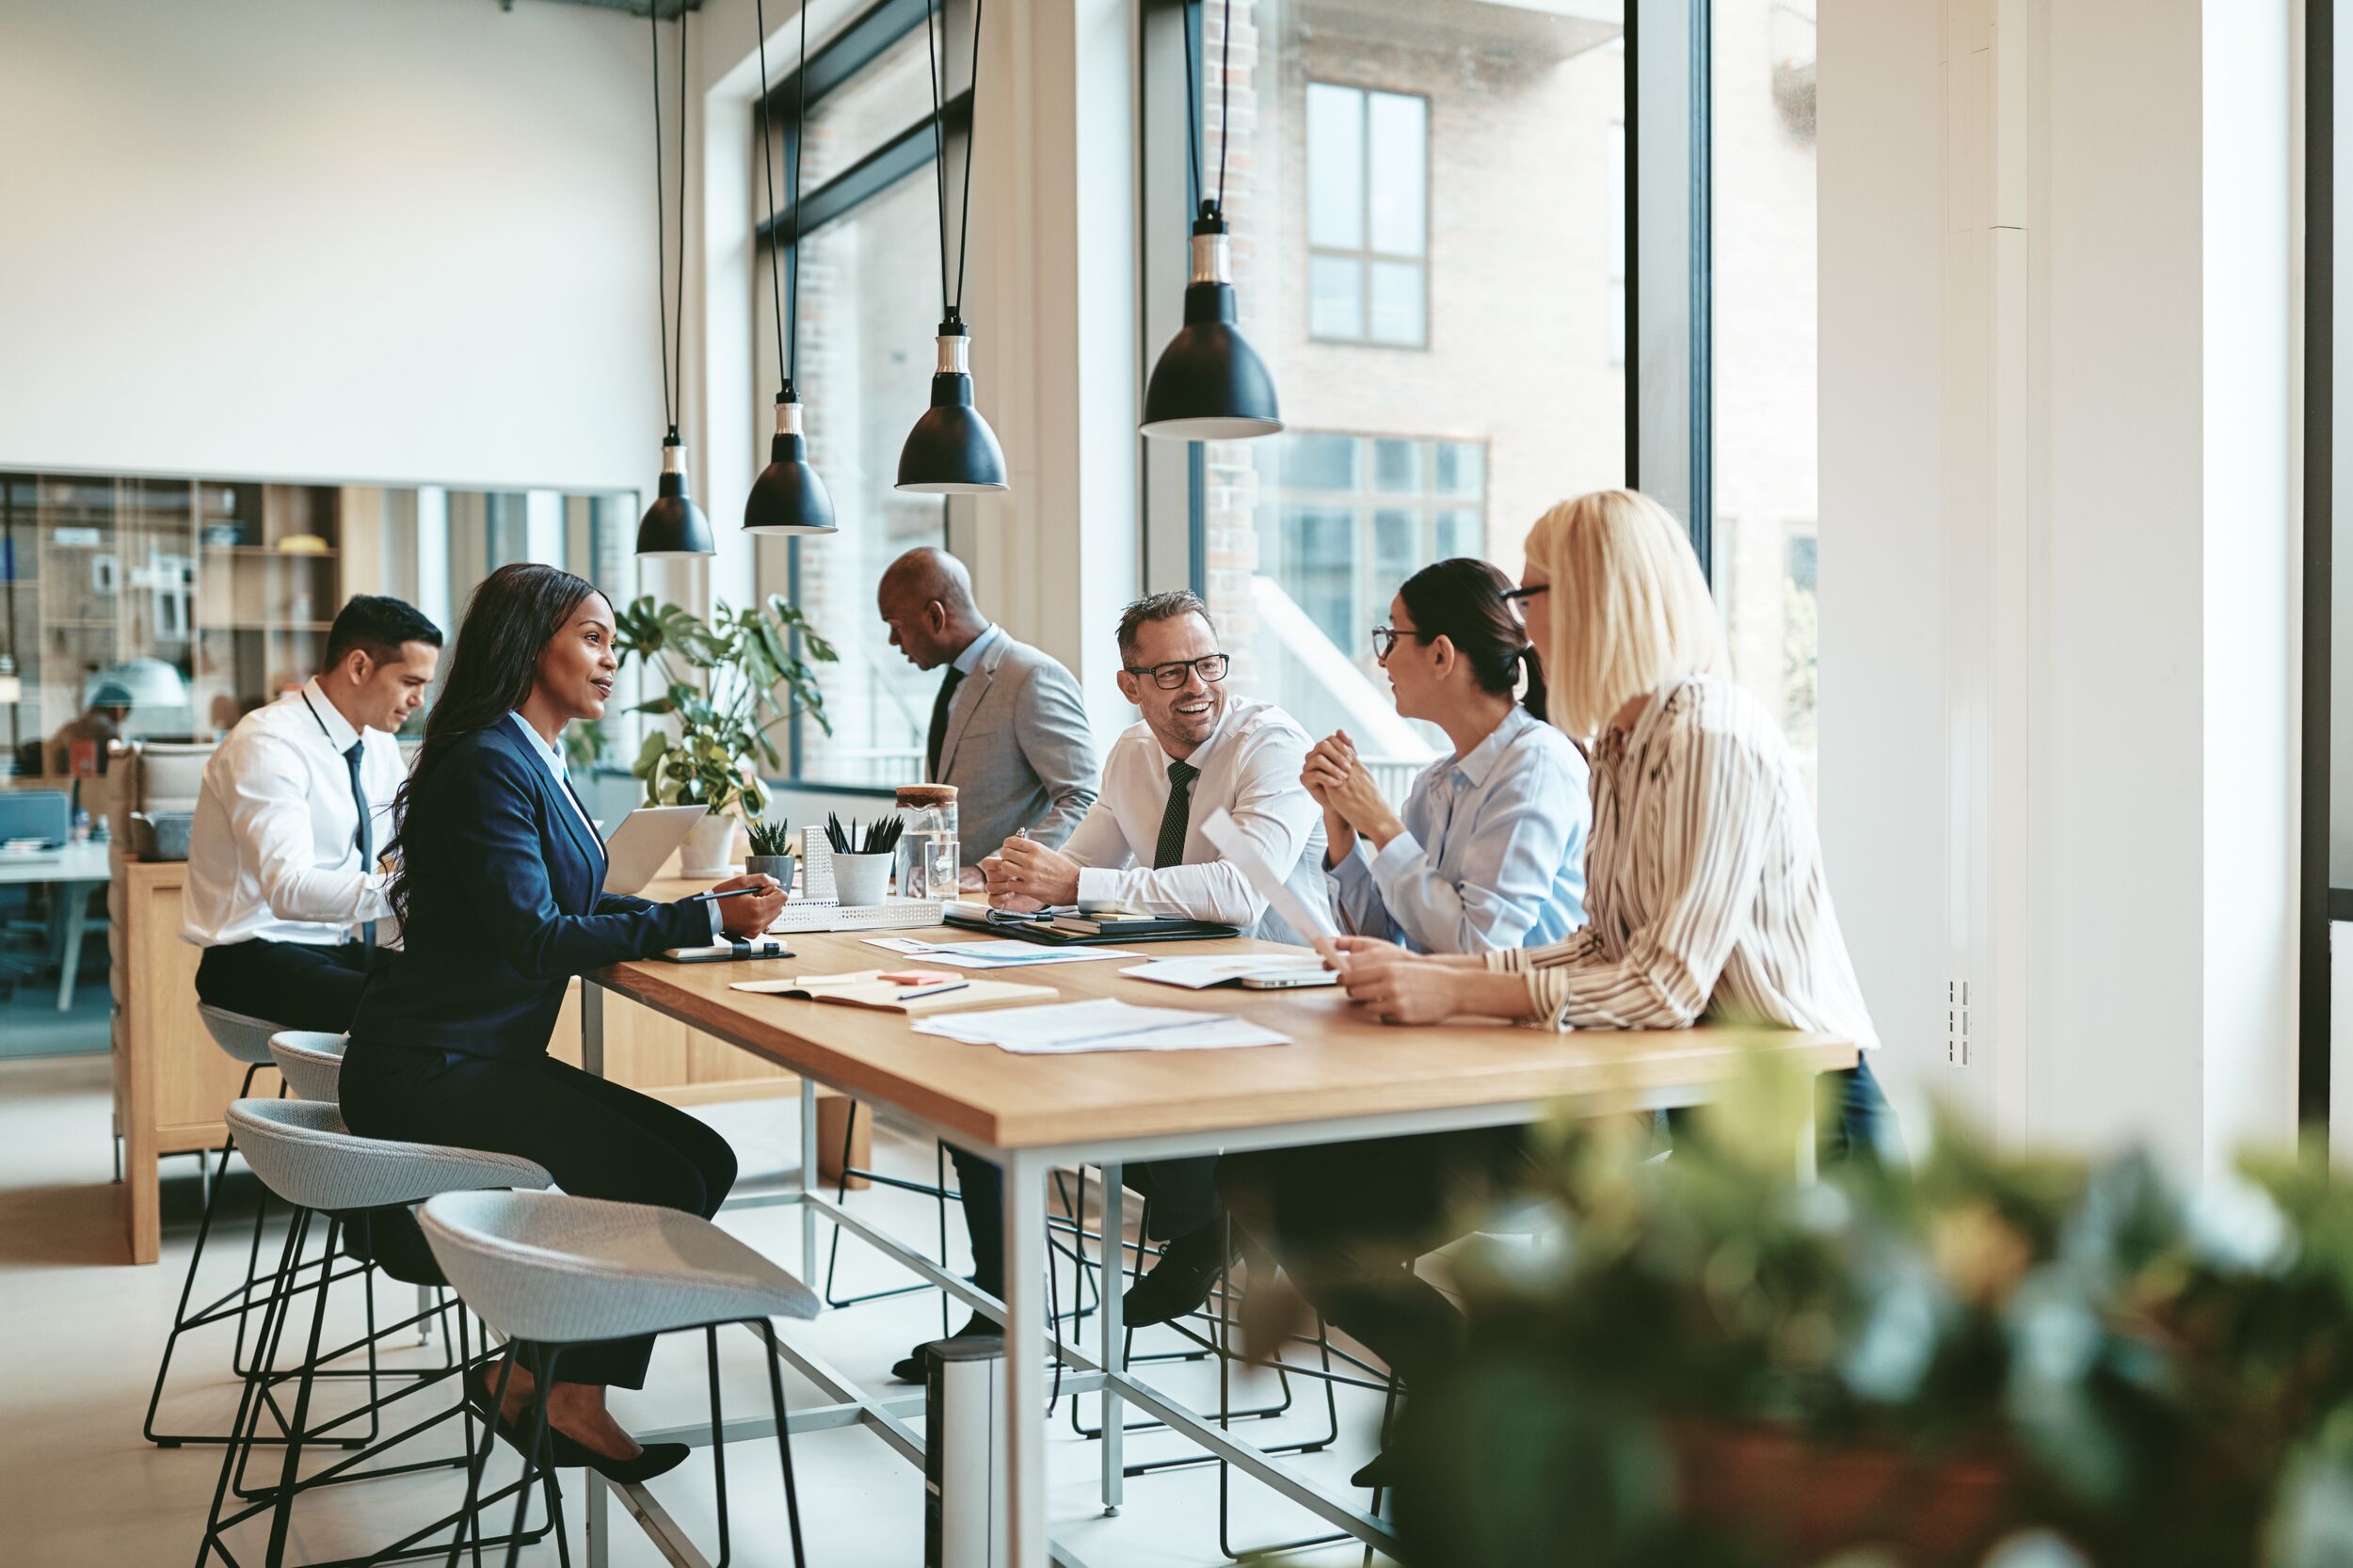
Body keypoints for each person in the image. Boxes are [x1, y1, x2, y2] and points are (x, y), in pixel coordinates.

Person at [1221, 489, 1896, 1485]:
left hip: (1798, 1109)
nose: (1521, 624)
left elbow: (1661, 981)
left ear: (1595, 596)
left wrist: (1454, 988)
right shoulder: (1624, 743)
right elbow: (1597, 943)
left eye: (1532, 591)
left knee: (1802, 1442)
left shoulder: (1706, 736)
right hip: (1700, 1091)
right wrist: (1439, 974)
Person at [339, 564, 785, 1483]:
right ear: (527, 642)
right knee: (662, 1174)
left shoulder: (529, 752)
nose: (610, 658)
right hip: (430, 1068)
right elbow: (536, 934)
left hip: (474, 1052)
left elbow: (567, 902)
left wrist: (700, 905)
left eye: (612, 640)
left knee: (704, 1161)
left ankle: (528, 1372)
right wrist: (701, 921)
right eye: (591, 635)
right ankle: (568, 1393)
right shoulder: (487, 761)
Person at [882, 593, 1324, 1382]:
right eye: (1172, 672)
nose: (1198, 687)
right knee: (995, 1064)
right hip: (1176, 980)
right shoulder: (1130, 754)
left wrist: (1075, 880)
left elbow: (1238, 895)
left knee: (1114, 1064)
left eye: (1209, 665)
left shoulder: (1270, 746)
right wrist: (1018, 885)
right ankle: (1038, 1293)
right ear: (1131, 685)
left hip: (1282, 993)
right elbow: (1078, 866)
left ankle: (1200, 1227)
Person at [184, 595, 442, 1031]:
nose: (419, 700)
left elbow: (410, 837)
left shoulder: (377, 742)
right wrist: (415, 888)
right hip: (251, 955)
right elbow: (289, 889)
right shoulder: (268, 744)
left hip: (335, 947)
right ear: (359, 667)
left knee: (461, 989)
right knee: (410, 1013)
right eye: (410, 682)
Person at [1306, 557, 1588, 955]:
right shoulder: (1433, 785)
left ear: (1441, 655)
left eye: (1392, 636)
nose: (1383, 658)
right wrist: (1340, 821)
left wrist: (1381, 823)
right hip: (1445, 1014)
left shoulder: (1536, 765)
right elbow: (1380, 942)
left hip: (1521, 1015)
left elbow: (1481, 950)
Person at [877, 546, 1098, 868]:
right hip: (950, 900)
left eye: (896, 626)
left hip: (1003, 904)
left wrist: (993, 869)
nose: (892, 642)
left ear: (935, 616)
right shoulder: (954, 681)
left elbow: (1084, 799)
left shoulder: (1032, 676)